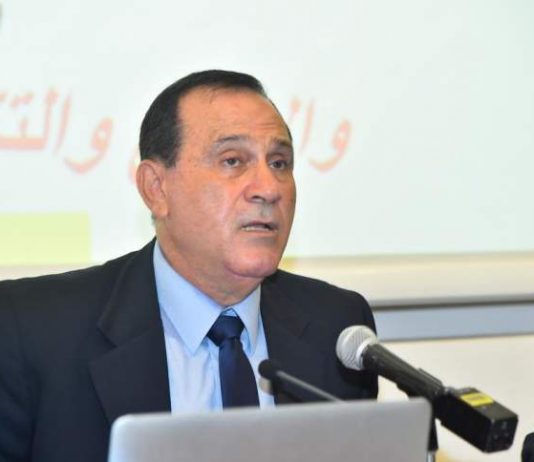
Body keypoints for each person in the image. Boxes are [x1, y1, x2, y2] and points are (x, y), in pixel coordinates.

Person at [0, 70, 377, 462]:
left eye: (280, 163)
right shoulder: (32, 331)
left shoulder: (336, 326)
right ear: (156, 189)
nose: (269, 188)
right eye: (233, 161)